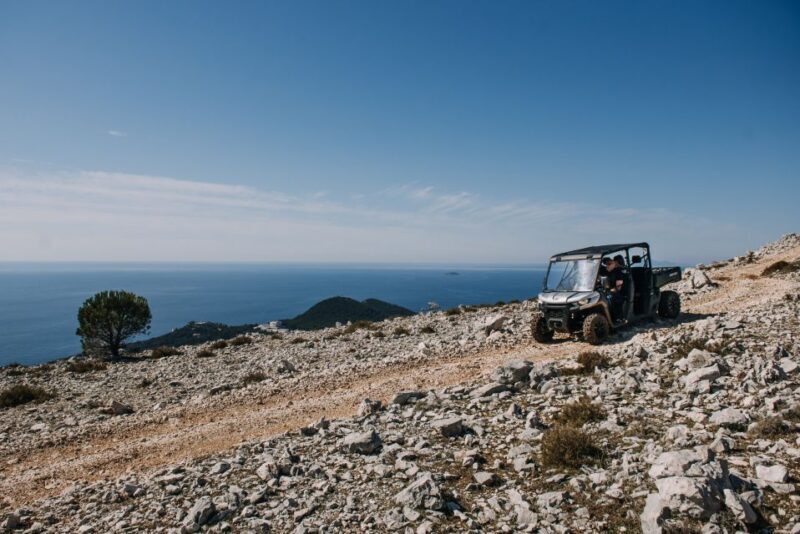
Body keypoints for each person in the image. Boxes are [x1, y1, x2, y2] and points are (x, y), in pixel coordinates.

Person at [606, 256, 628, 322]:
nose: (607, 265)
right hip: (614, 291)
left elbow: (619, 286)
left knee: (611, 298)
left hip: (620, 292)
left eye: (610, 263)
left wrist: (610, 290)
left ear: (616, 262)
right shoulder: (613, 271)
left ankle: (618, 318)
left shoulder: (619, 271)